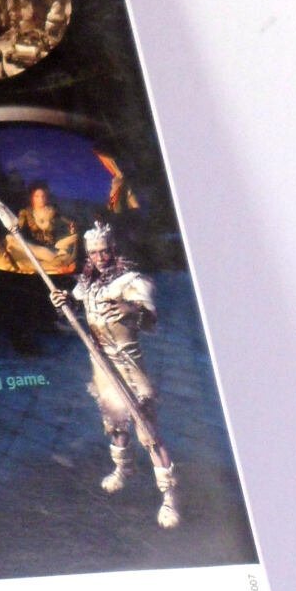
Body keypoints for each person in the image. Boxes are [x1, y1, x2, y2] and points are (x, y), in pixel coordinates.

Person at [49, 221, 179, 528]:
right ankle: (123, 469)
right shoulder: (87, 284)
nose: (100, 257)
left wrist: (132, 310)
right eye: (94, 252)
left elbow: (151, 320)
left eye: (104, 251)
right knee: (115, 423)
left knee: (148, 432)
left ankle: (169, 497)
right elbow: (74, 316)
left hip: (128, 366)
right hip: (101, 363)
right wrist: (63, 303)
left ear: (113, 249)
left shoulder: (131, 281)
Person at [7, 184, 78, 275]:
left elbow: (69, 223)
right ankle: (55, 265)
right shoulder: (25, 213)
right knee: (12, 240)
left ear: (47, 197)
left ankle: (56, 265)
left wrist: (72, 228)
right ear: (31, 198)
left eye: (43, 196)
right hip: (34, 248)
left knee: (60, 254)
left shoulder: (52, 211)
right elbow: (17, 229)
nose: (41, 199)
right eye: (37, 196)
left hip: (52, 249)